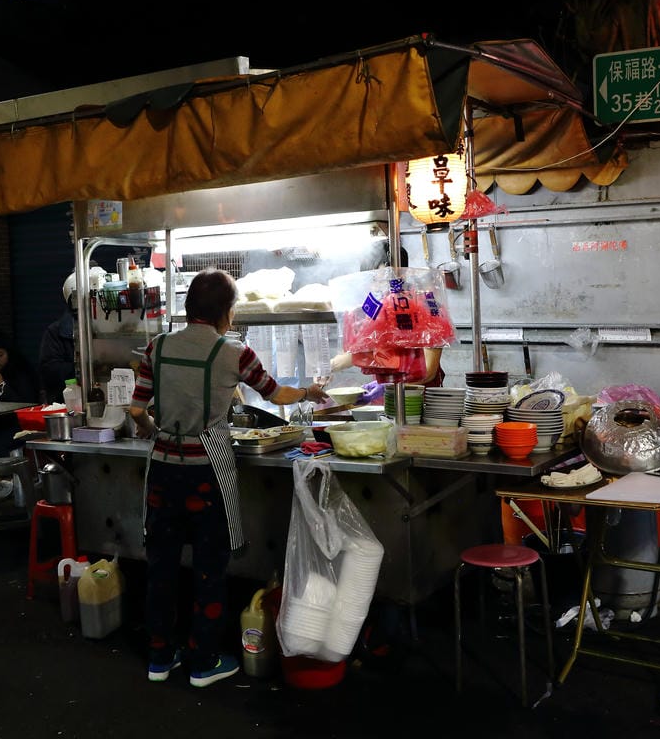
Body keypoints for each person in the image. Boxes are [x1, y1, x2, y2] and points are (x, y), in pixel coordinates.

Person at [129, 269, 326, 688]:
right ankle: (203, 662)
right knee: (208, 569)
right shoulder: (235, 352)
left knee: (161, 566)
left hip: (163, 468)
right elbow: (277, 394)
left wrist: (151, 431)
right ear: (227, 312)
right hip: (206, 473)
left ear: (188, 308)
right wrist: (311, 391)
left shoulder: (156, 347)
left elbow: (134, 411)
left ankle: (160, 658)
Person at [329, 243, 446, 390]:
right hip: (386, 401)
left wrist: (387, 388)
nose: (375, 286)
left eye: (380, 279)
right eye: (370, 279)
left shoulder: (426, 305)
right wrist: (326, 368)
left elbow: (428, 371)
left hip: (422, 399)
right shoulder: (373, 309)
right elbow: (357, 354)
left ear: (401, 273)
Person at [0, 330, 40, 462]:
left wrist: (2, 385)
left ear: (9, 353)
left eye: (0, 355)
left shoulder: (22, 372)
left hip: (17, 426)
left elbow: (26, 403)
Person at [38, 272, 79, 403]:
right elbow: (50, 371)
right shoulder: (56, 332)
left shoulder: (106, 328)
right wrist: (81, 371)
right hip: (66, 403)